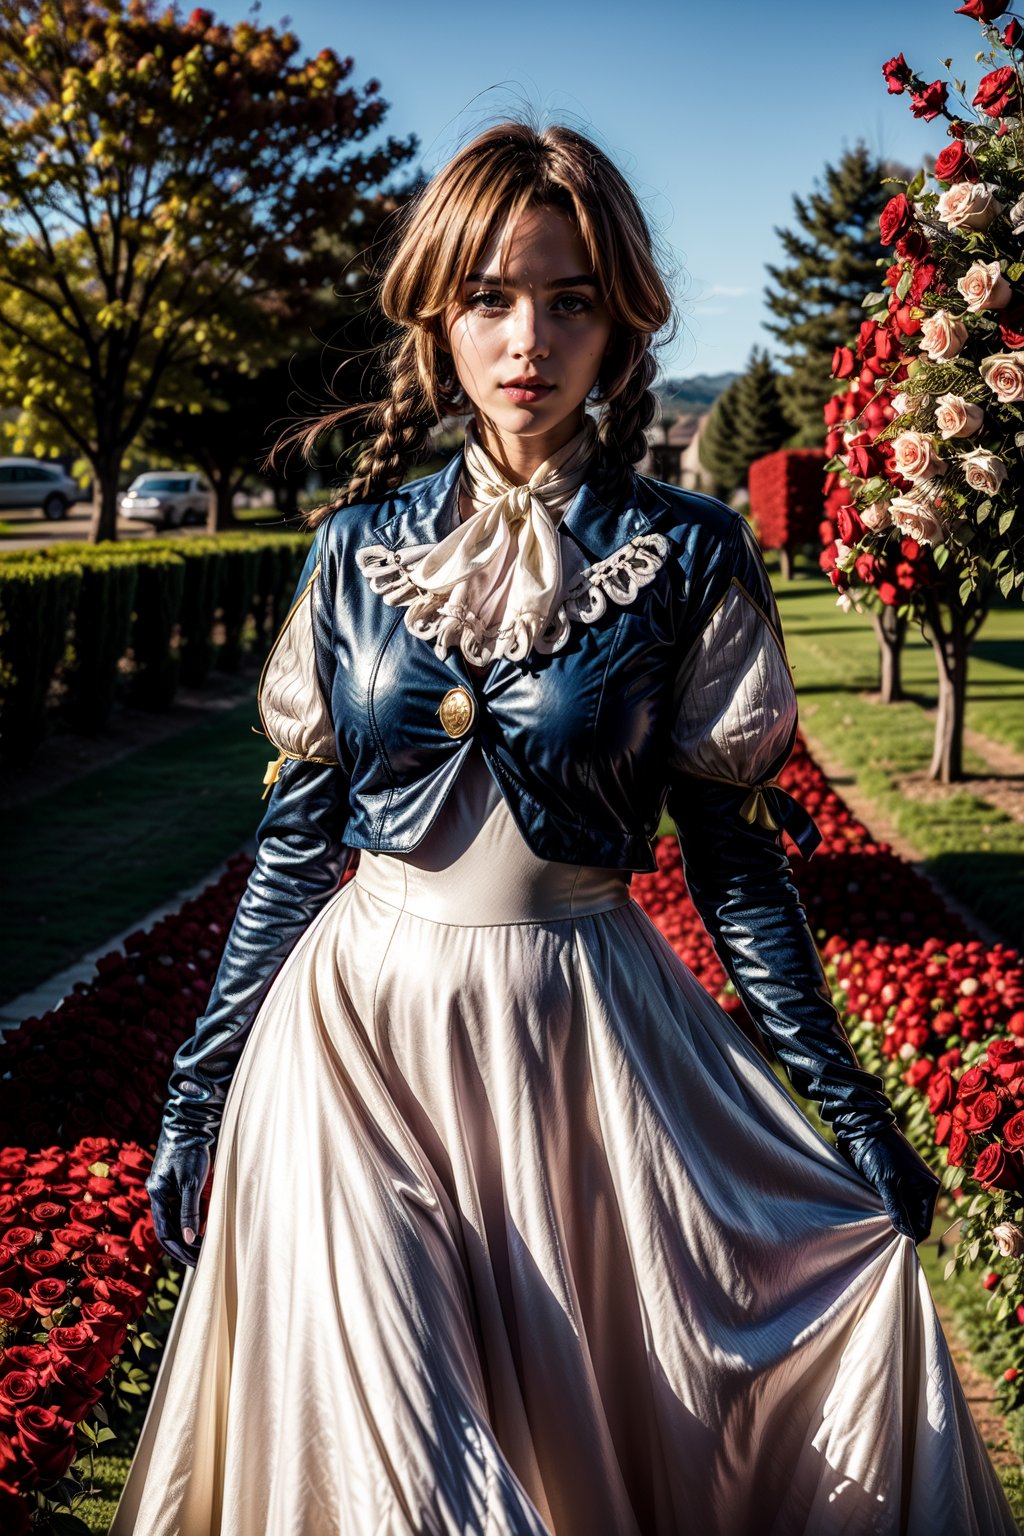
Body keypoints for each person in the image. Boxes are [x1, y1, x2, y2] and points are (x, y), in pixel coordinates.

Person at [109, 121, 1016, 1536]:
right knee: (405, 1480)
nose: (527, 337)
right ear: (438, 315)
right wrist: (195, 1093)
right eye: (490, 296)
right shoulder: (353, 552)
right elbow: (293, 855)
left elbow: (739, 872)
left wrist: (854, 1114)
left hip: (574, 1056)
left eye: (569, 297)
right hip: (350, 1046)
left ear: (623, 319)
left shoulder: (695, 554)